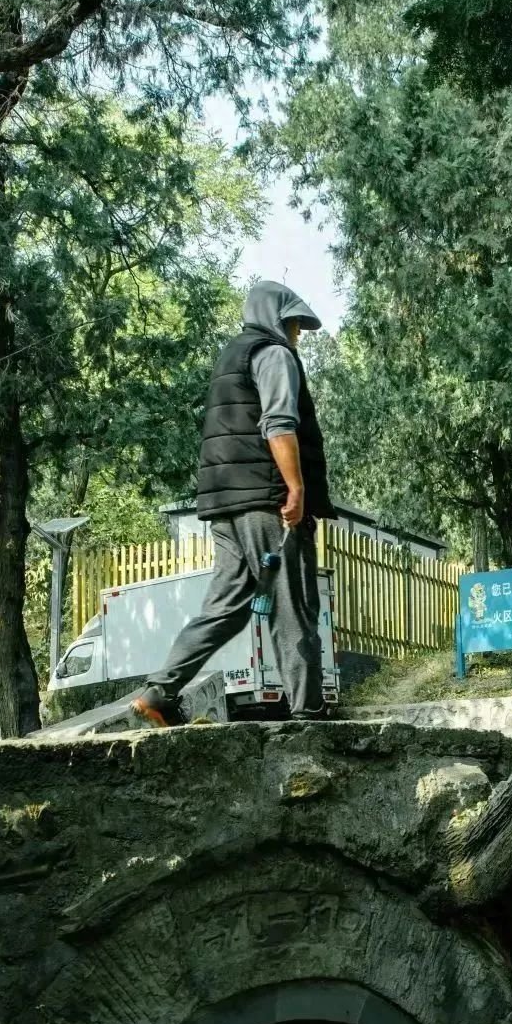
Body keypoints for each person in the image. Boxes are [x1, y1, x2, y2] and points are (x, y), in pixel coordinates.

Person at [131, 280, 335, 727]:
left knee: (225, 608)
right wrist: (296, 488)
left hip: (225, 505)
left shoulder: (229, 358)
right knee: (293, 604)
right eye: (294, 325)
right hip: (268, 501)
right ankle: (309, 711)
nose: (297, 335)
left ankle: (158, 692)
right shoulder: (274, 354)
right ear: (277, 319)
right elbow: (279, 424)